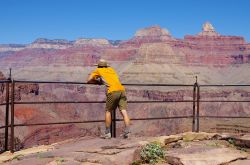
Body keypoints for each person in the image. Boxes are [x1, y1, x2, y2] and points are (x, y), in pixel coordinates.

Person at [87, 59, 130, 139]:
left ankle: (107, 133)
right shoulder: (111, 69)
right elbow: (110, 78)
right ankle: (127, 132)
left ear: (99, 65)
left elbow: (88, 80)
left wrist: (97, 81)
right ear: (106, 65)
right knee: (124, 111)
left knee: (108, 111)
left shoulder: (98, 70)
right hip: (122, 90)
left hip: (112, 91)